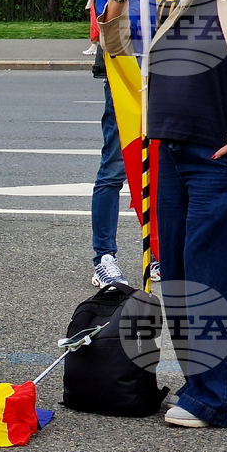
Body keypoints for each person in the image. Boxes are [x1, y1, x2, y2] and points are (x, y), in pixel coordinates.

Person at [100, 0, 227, 428]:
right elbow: (118, 52)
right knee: (177, 273)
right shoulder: (168, 0)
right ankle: (201, 385)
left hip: (224, 158)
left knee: (216, 276)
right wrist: (118, 1)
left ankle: (222, 398)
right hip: (170, 151)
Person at [89, 44, 129, 289]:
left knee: (164, 171)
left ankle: (160, 253)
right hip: (124, 75)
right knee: (113, 170)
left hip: (166, 77)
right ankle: (104, 257)